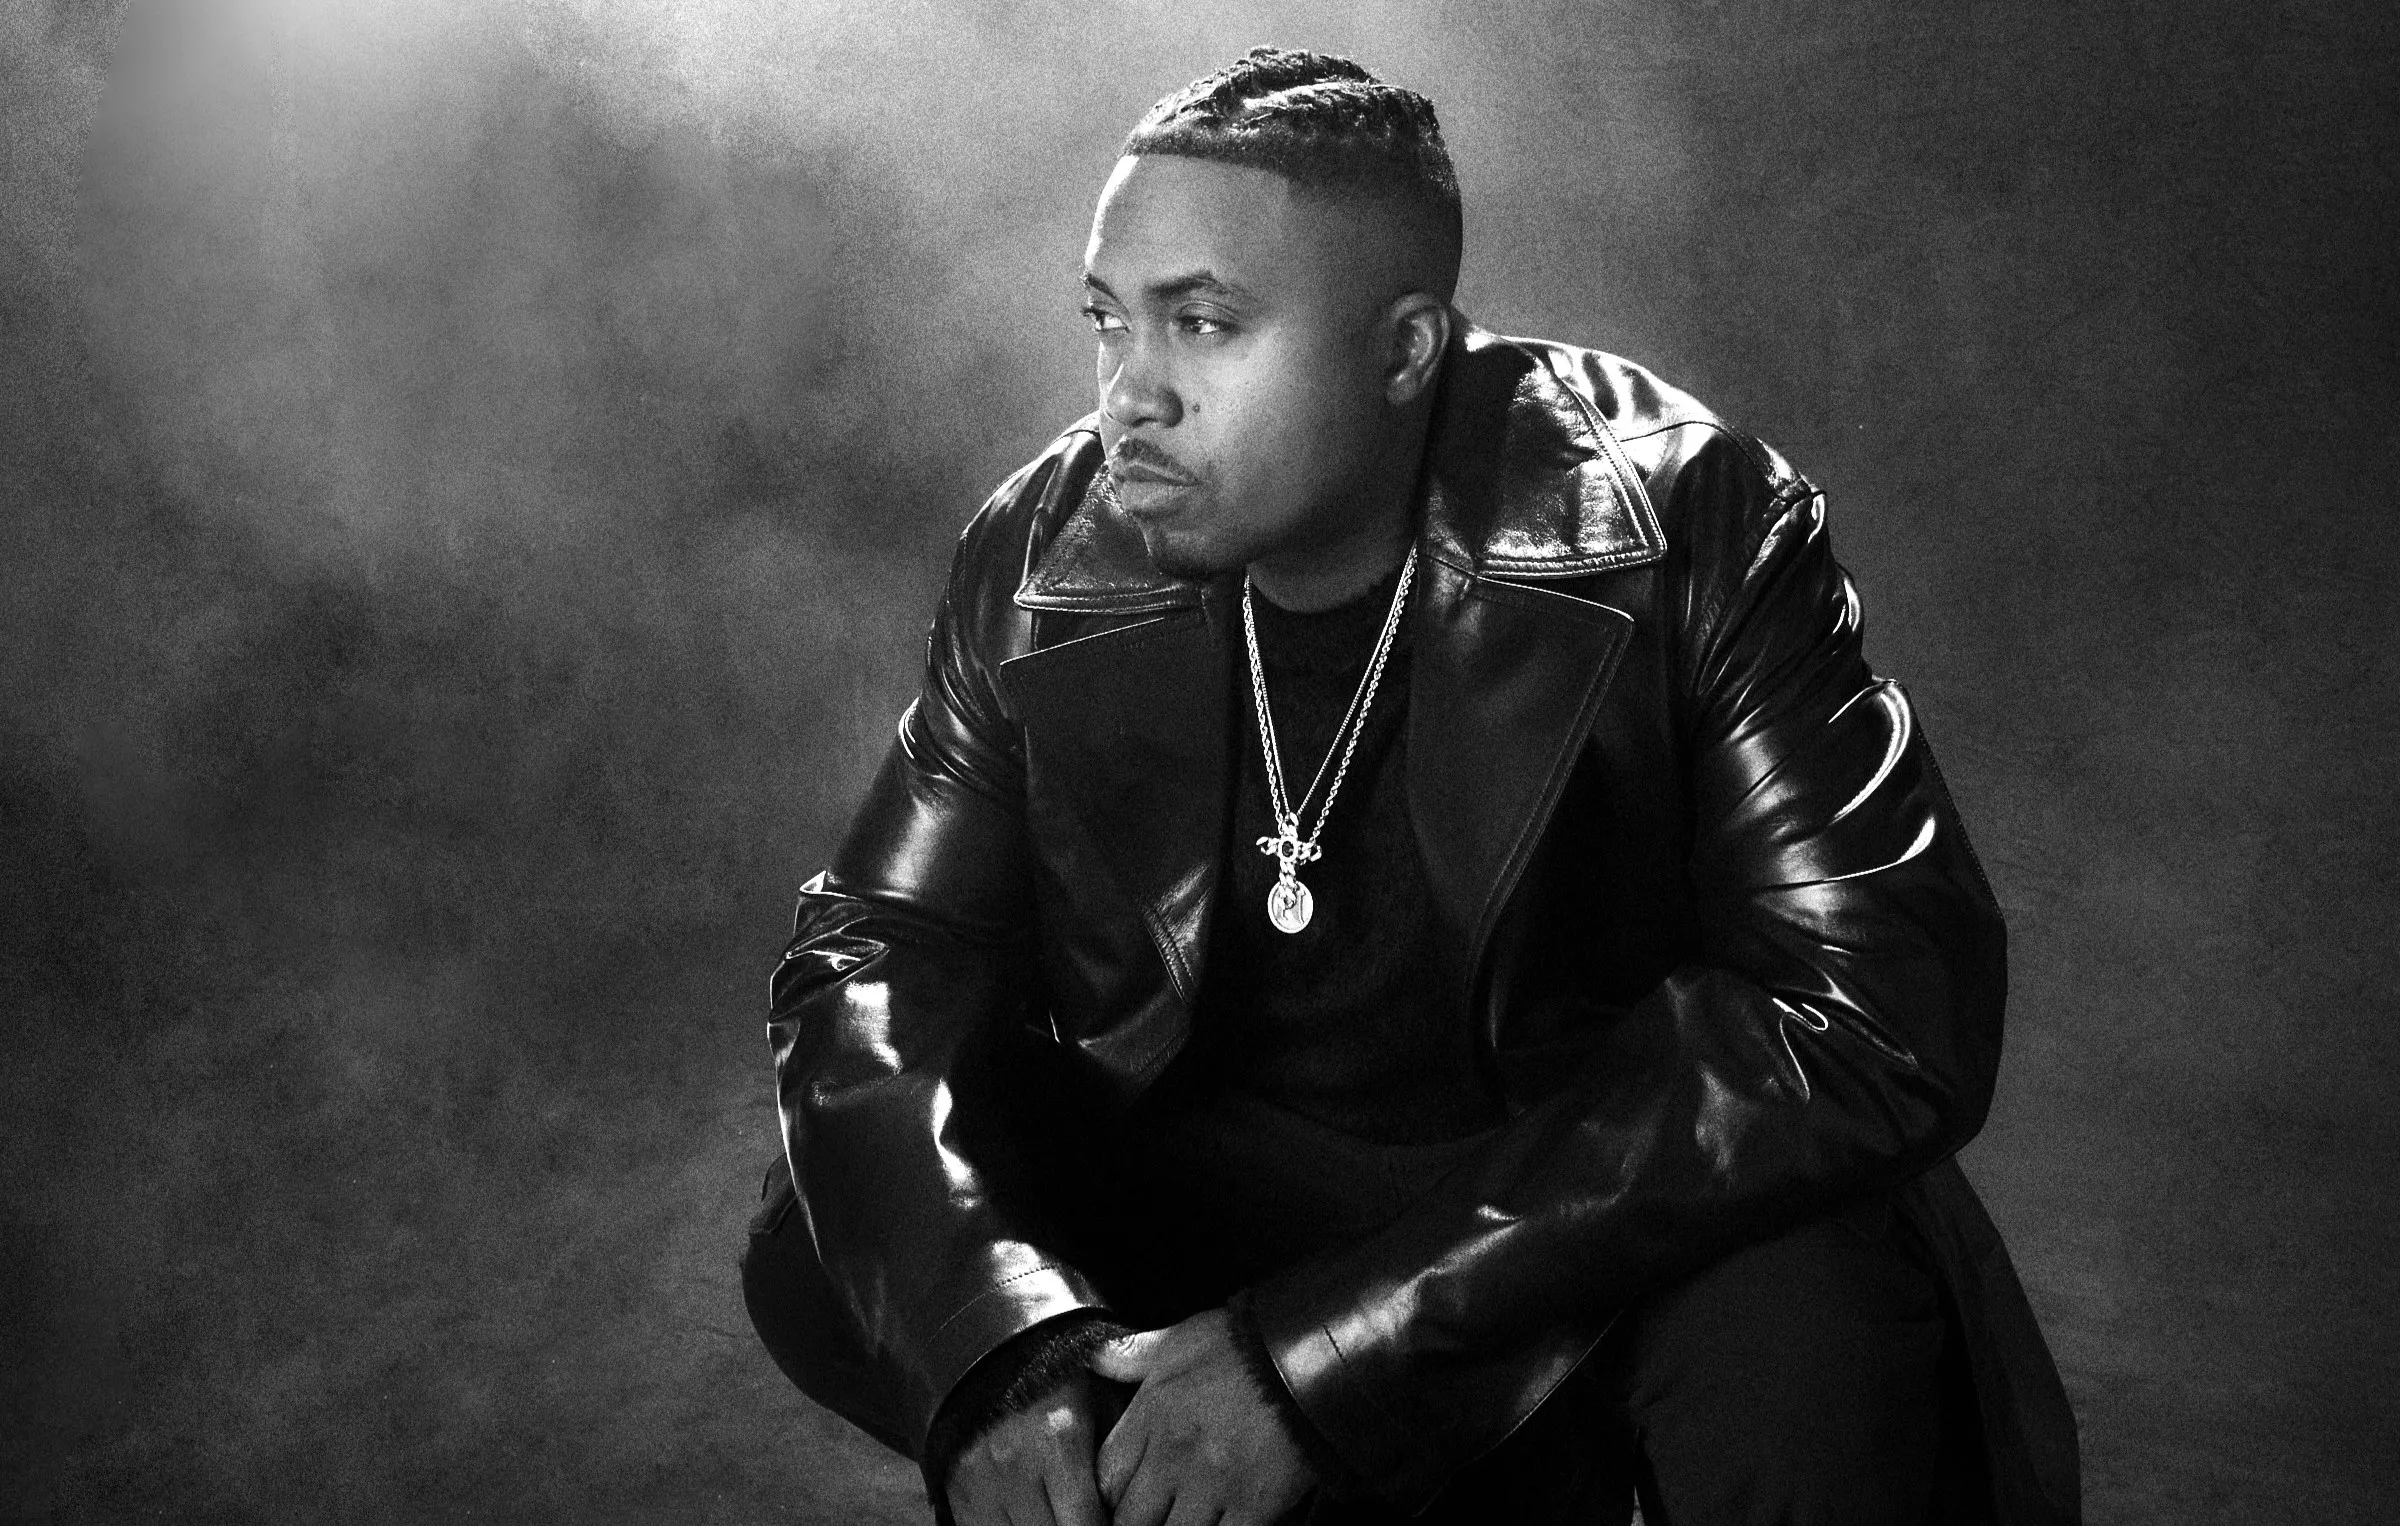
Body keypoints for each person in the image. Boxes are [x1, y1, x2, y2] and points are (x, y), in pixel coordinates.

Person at [741, 45, 2079, 1526]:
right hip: (1225, 1188)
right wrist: (1003, 1352)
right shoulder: (1047, 548)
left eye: (1203, 324)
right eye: (1109, 322)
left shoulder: (1685, 514)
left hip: (1569, 1206)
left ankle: (1437, 1453)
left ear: (1403, 351)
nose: (1132, 397)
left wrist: (1329, 1358)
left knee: (1814, 1300)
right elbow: (877, 950)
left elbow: (1882, 998)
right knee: (842, 1233)